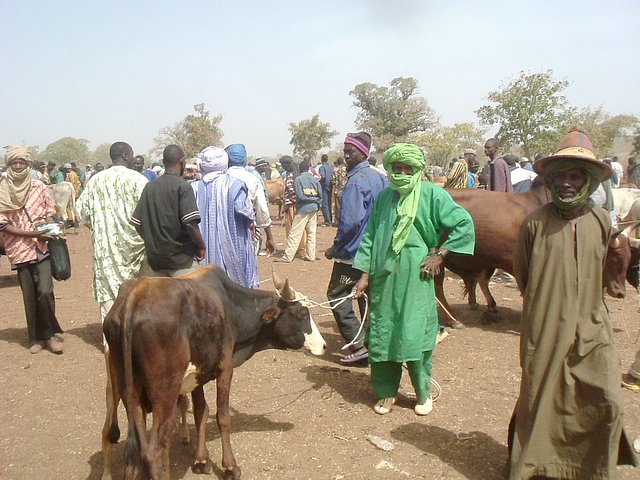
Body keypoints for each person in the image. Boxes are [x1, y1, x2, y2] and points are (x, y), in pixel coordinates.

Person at [508, 130, 638, 479]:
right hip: (545, 326)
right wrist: (548, 308)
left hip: (593, 325)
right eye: (561, 176)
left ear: (588, 181)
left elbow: (604, 272)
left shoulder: (600, 220)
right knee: (541, 397)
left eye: (576, 176)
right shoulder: (534, 223)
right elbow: (523, 276)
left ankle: (592, 467)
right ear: (551, 180)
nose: (567, 183)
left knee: (606, 396)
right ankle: (536, 465)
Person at [353, 143, 474, 416]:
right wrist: (364, 275)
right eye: (398, 168)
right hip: (384, 278)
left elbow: (463, 223)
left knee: (414, 334)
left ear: (418, 170)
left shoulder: (433, 195)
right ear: (391, 169)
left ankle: (423, 393)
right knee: (383, 334)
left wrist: (440, 255)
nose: (403, 173)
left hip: (416, 277)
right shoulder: (385, 198)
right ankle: (386, 393)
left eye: (409, 169)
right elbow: (371, 237)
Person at [325, 132, 388, 363]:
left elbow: (350, 222)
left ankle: (358, 344)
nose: (346, 155)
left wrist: (335, 248)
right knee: (367, 298)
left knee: (337, 295)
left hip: (353, 254)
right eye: (345, 151)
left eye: (351, 151)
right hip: (376, 251)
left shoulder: (356, 182)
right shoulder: (381, 178)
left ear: (364, 152)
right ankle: (373, 344)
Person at [77, 142, 148, 329]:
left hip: (106, 247)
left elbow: (82, 213)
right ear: (125, 155)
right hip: (136, 247)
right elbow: (148, 213)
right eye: (132, 154)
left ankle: (111, 344)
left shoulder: (95, 181)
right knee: (137, 291)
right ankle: (136, 340)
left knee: (109, 293)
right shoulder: (138, 180)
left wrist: (100, 227)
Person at [0, 146, 64, 354]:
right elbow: (3, 224)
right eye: (14, 163)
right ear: (9, 165)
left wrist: (47, 225)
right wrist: (32, 234)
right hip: (19, 248)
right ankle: (35, 338)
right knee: (29, 296)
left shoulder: (39, 186)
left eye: (22, 162)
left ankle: (50, 335)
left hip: (42, 246)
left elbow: (49, 210)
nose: (18, 166)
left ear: (28, 165)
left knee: (45, 292)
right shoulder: (3, 189)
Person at [131, 145, 205, 277]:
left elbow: (138, 223)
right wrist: (201, 246)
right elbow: (189, 224)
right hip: (182, 262)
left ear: (164, 162)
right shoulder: (183, 187)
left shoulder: (149, 187)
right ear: (182, 162)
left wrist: (152, 242)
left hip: (155, 262)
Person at [191, 146, 258, 287]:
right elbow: (246, 212)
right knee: (236, 288)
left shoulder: (193, 187)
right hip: (233, 246)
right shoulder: (235, 185)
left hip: (201, 250)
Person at [226, 144, 276, 256]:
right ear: (244, 160)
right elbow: (262, 211)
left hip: (223, 231)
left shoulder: (220, 179)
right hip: (247, 230)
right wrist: (269, 237)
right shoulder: (253, 179)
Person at [274, 158, 322, 263]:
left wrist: (306, 200)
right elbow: (320, 194)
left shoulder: (298, 180)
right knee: (311, 233)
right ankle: (310, 255)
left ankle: (288, 257)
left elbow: (299, 195)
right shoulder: (314, 179)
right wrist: (317, 203)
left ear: (300, 168)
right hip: (314, 208)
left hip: (303, 208)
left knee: (294, 233)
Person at [331, 157, 348, 226]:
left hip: (338, 190)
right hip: (346, 190)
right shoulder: (347, 169)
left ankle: (337, 222)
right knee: (345, 206)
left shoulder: (335, 170)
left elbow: (333, 181)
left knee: (338, 207)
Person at [318, 154, 334, 226]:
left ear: (321, 160)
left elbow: (323, 176)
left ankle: (327, 221)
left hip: (324, 187)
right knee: (329, 203)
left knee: (324, 204)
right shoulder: (331, 167)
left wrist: (318, 182)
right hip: (330, 187)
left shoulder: (321, 168)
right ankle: (330, 219)